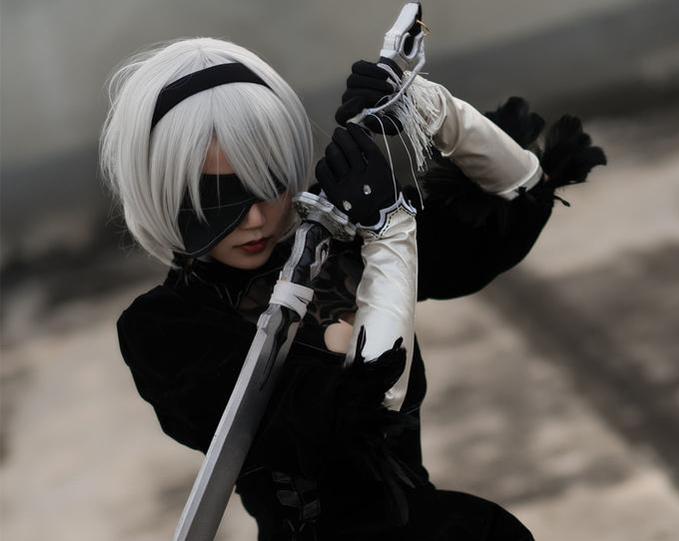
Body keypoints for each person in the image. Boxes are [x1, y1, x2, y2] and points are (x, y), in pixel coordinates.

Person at [100, 37, 604, 540]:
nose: (254, 219)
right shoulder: (168, 330)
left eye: (267, 182)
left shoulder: (341, 236)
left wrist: (430, 110)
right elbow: (360, 406)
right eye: (219, 198)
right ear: (164, 190)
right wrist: (387, 234)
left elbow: (515, 199)